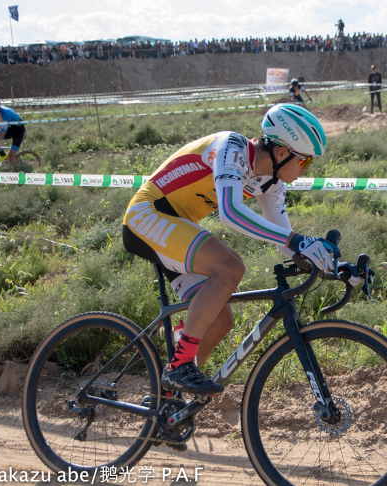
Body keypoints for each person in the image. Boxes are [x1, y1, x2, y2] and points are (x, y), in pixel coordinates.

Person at [122, 103, 362, 395]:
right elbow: (231, 212)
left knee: (220, 318)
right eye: (306, 161)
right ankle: (179, 366)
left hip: (175, 228)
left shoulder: (270, 182)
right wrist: (297, 241)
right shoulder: (232, 148)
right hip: (147, 215)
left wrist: (334, 267)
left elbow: (284, 240)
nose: (306, 170)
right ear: (283, 152)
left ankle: (167, 400)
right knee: (229, 267)